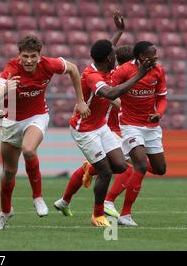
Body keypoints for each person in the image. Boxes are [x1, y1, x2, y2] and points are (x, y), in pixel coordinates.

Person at [53, 27, 153, 226]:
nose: (115, 56)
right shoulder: (93, 76)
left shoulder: (107, 67)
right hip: (84, 130)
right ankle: (97, 214)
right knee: (106, 171)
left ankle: (89, 170)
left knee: (120, 166)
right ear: (109, 58)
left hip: (101, 126)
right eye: (113, 55)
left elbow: (110, 47)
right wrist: (138, 76)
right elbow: (110, 94)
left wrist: (120, 31)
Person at [0, 35, 91, 231]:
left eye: (33, 56)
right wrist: (4, 91)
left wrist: (80, 100)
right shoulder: (11, 69)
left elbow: (73, 69)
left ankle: (37, 197)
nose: (29, 60)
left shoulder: (49, 65)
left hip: (37, 116)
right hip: (11, 121)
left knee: (29, 150)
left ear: (39, 55)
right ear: (19, 55)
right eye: (25, 56)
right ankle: (5, 212)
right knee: (8, 173)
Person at [107, 41, 167, 226]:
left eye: (156, 54)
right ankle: (124, 214)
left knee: (160, 169)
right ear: (141, 56)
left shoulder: (158, 71)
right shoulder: (124, 70)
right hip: (129, 125)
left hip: (150, 127)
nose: (155, 57)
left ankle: (128, 161)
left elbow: (162, 98)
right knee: (140, 165)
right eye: (152, 54)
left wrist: (159, 114)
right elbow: (109, 91)